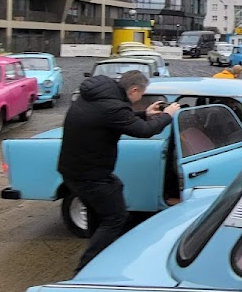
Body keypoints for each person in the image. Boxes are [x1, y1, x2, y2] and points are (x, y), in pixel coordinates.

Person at [59, 70, 182, 272]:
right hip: (91, 175)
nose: (141, 98)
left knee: (99, 213)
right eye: (141, 94)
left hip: (76, 171)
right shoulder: (112, 106)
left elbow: (113, 119)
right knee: (116, 218)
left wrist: (144, 114)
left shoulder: (96, 97)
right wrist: (168, 115)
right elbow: (145, 131)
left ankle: (98, 260)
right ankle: (85, 268)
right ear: (133, 90)